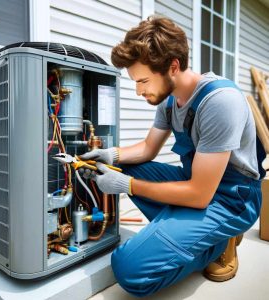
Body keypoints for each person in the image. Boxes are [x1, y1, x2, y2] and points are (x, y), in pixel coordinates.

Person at [79, 16, 265, 297]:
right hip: (199, 183)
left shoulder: (219, 101)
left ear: (173, 66)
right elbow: (148, 149)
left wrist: (126, 186)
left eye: (143, 80)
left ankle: (216, 243)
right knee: (128, 168)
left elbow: (200, 195)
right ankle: (187, 233)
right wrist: (111, 155)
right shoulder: (169, 101)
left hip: (231, 199)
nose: (139, 90)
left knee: (128, 269)